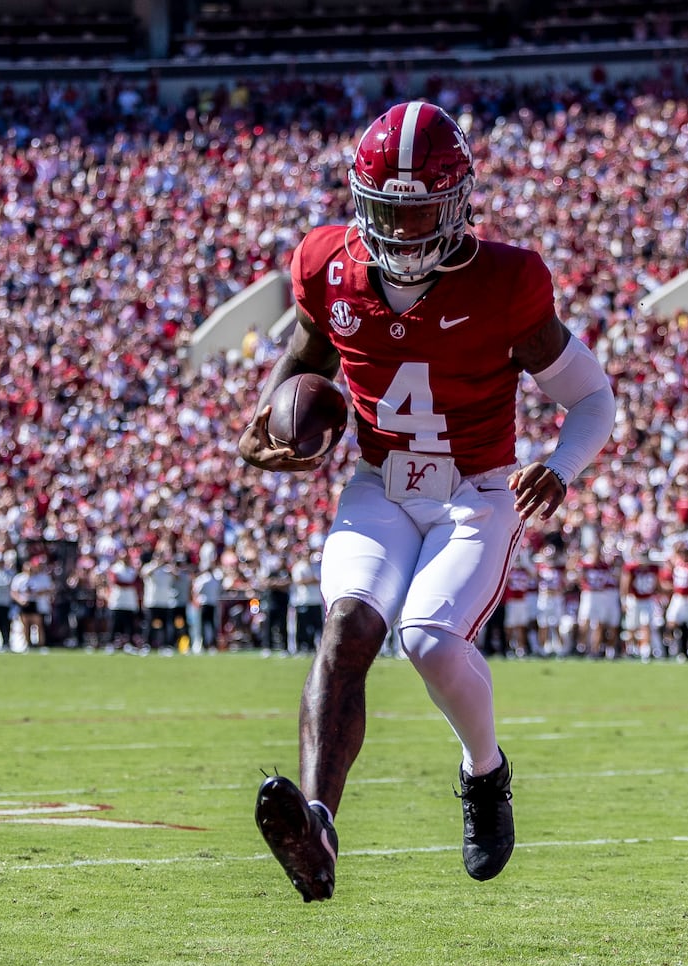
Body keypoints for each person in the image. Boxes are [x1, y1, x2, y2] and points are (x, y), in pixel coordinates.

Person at [238, 101, 615, 903]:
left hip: (477, 493)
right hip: (381, 484)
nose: (404, 231)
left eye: (420, 211)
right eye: (388, 210)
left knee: (428, 639)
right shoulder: (327, 266)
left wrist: (562, 465)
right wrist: (266, 430)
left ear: (459, 203)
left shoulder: (509, 281)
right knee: (347, 627)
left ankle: (486, 774)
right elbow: (302, 366)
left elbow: (592, 398)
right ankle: (318, 826)